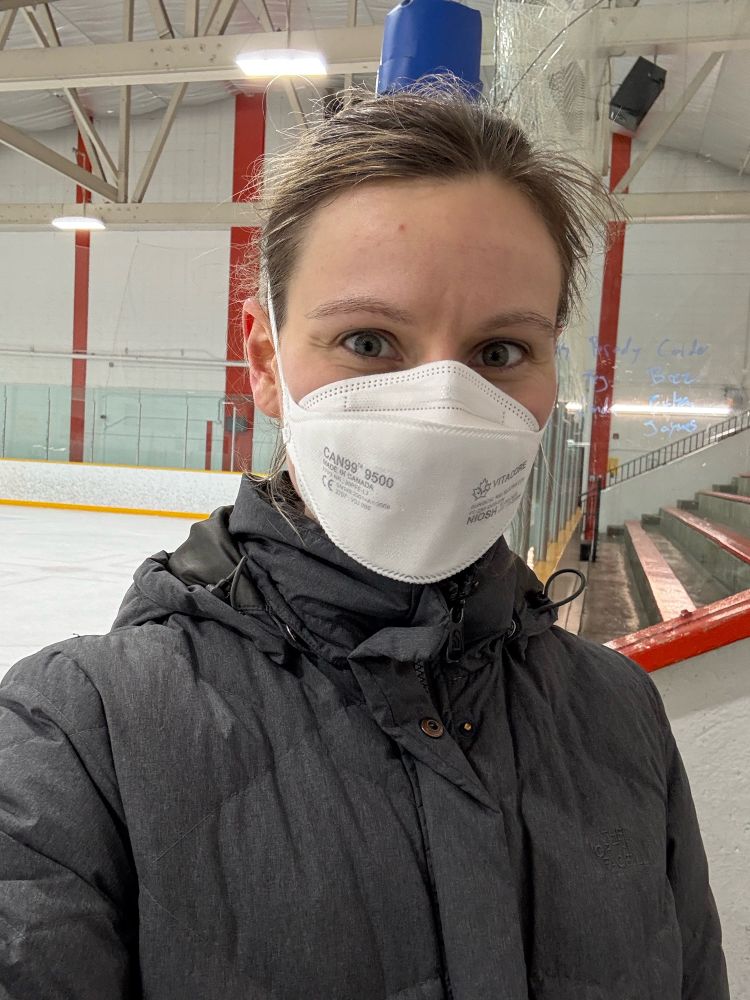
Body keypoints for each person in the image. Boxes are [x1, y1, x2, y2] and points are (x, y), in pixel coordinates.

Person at [0, 84, 729, 1000]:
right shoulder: (76, 739)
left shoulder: (619, 714)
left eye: (501, 352)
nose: (443, 405)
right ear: (265, 362)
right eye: (369, 342)